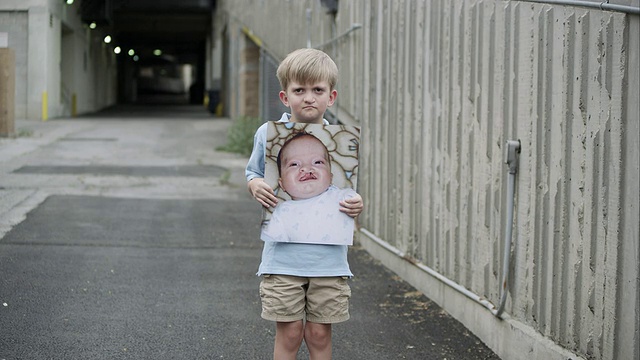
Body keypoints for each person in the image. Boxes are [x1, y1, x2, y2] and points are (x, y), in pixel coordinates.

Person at [245, 48, 363, 360]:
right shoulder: (268, 135)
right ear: (285, 97)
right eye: (300, 90)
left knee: (320, 333)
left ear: (331, 96)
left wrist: (356, 204)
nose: (309, 97)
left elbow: (346, 192)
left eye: (318, 90)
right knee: (291, 331)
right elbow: (254, 172)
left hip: (328, 260)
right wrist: (255, 184)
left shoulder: (341, 143)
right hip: (283, 258)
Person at [262, 132, 356, 246]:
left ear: (330, 177)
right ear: (282, 185)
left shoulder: (340, 197)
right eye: (294, 164)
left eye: (317, 162)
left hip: (332, 262)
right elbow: (272, 244)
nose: (307, 168)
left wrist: (358, 203)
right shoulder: (282, 212)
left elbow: (355, 203)